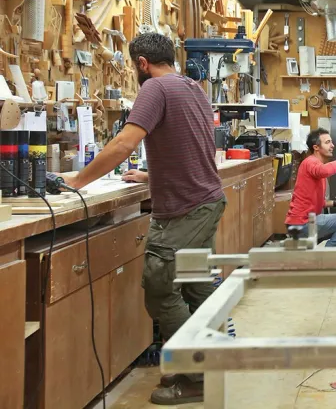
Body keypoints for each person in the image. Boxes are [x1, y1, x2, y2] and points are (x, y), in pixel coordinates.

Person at [62, 33, 225, 405]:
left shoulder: (154, 88)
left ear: (141, 63)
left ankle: (197, 375)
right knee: (197, 289)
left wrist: (78, 179)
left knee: (160, 288)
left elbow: (124, 144)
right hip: (204, 201)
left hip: (185, 208)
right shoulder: (191, 87)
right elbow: (192, 148)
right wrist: (153, 177)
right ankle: (211, 365)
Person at [286, 129, 336, 246]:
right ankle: (329, 254)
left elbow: (317, 202)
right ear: (316, 147)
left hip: (303, 222)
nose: (332, 145)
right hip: (302, 224)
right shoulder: (310, 162)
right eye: (328, 142)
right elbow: (324, 171)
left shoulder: (315, 165)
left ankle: (328, 253)